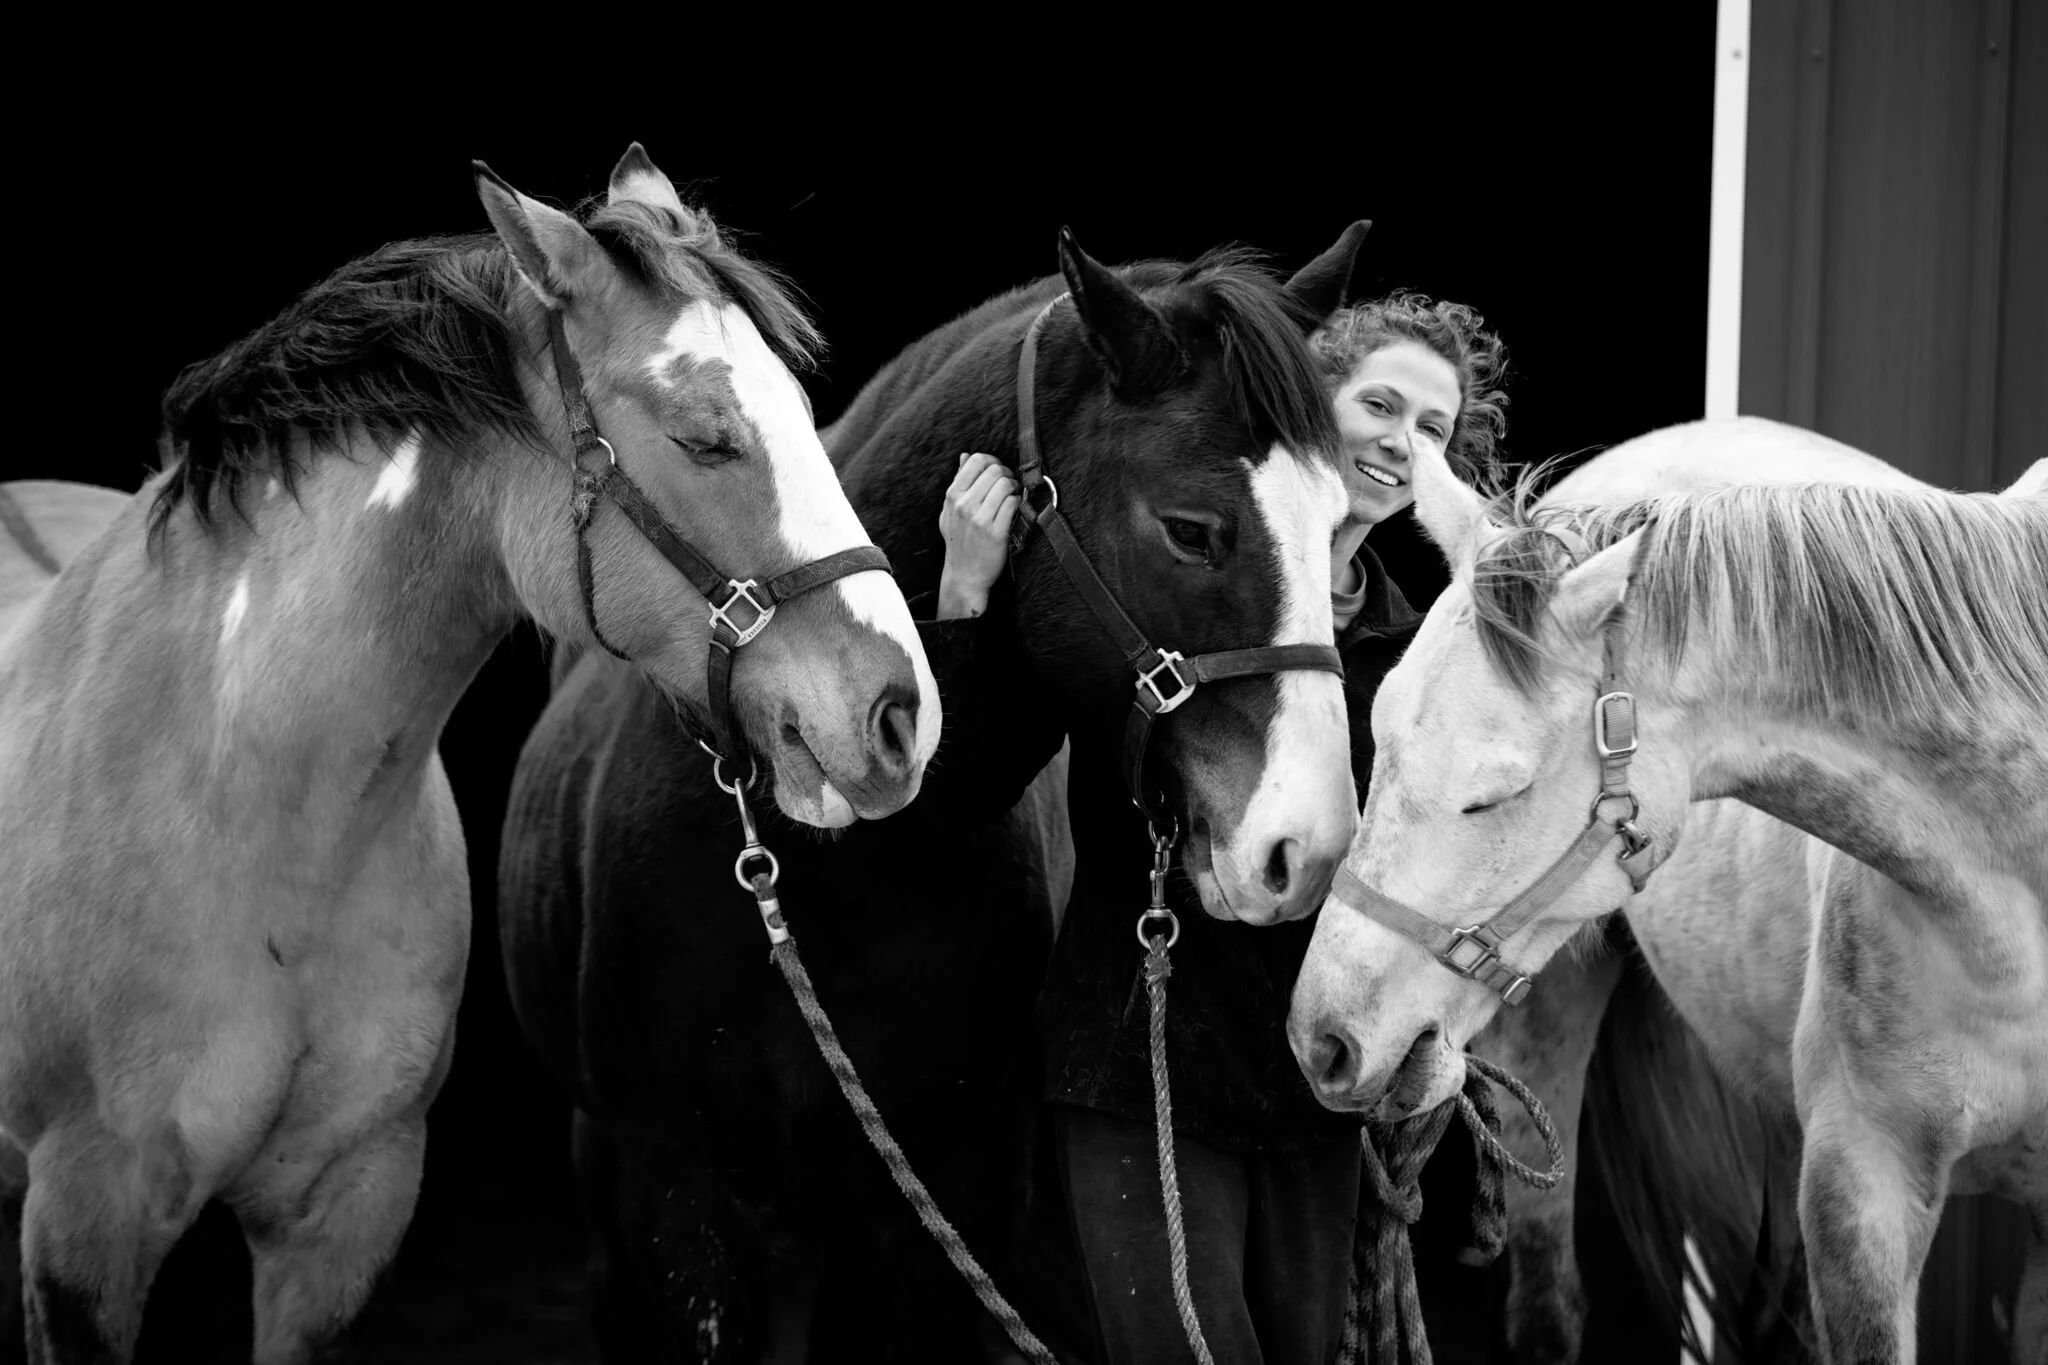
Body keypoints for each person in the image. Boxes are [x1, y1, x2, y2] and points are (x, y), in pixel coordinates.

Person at [935, 290, 1510, 1364]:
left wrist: (1438, 1023)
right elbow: (964, 793)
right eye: (1378, 403)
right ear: (1301, 402)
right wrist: (968, 597)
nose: (1401, 441)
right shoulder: (1173, 586)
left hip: (1314, 1085)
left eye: (1432, 428)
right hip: (1139, 1055)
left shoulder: (1421, 647)